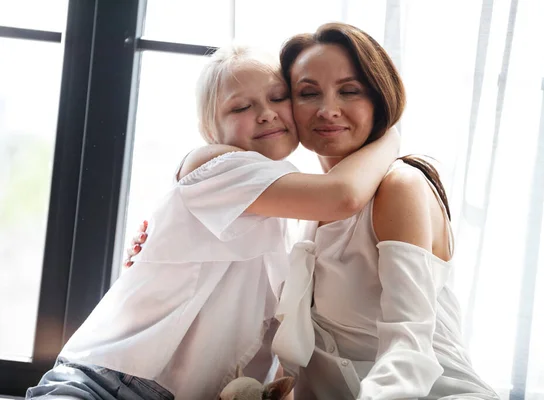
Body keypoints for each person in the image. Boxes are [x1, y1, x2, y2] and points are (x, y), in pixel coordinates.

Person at [128, 23, 499, 399]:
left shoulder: (399, 187)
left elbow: (410, 351)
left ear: (380, 98)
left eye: (350, 91)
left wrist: (391, 137)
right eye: (307, 93)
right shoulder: (302, 215)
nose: (328, 109)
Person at [26, 44, 400, 400]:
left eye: (277, 97)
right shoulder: (215, 166)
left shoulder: (283, 211)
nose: (266, 113)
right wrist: (388, 134)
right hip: (105, 382)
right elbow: (342, 197)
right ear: (211, 130)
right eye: (241, 107)